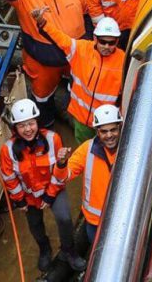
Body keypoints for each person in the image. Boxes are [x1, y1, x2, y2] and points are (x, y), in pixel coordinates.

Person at [0, 0, 89, 127]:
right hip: (43, 62)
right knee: (43, 97)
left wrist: (89, 44)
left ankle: (80, 123)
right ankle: (47, 126)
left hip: (75, 56)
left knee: (82, 91)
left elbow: (87, 15)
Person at [0, 99, 85, 272]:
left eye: (31, 123)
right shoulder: (7, 150)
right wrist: (20, 201)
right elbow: (9, 178)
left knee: (64, 218)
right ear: (15, 128)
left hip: (52, 188)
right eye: (22, 126)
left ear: (37, 122)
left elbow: (59, 173)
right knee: (35, 224)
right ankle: (45, 249)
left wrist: (50, 195)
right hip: (28, 195)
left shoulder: (53, 139)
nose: (28, 129)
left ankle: (69, 250)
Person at [33, 9, 125, 143]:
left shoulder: (123, 61)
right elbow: (60, 38)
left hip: (107, 123)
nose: (107, 46)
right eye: (103, 41)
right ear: (95, 38)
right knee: (84, 152)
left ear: (117, 41)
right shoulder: (81, 50)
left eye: (112, 43)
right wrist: (43, 23)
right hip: (82, 120)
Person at [53, 104, 121, 242]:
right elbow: (64, 177)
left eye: (113, 130)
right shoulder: (87, 150)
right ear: (97, 131)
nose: (109, 135)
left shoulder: (129, 149)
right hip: (94, 221)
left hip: (120, 219)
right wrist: (61, 164)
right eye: (104, 131)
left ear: (120, 127)